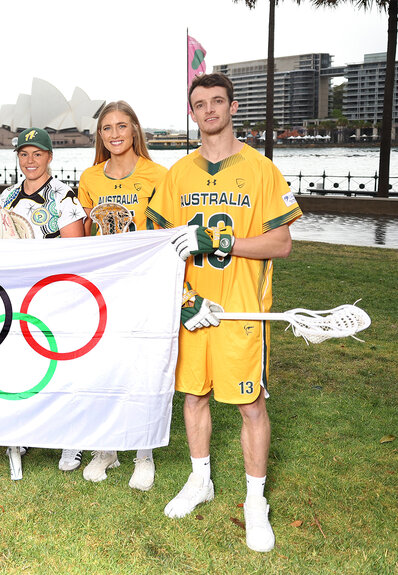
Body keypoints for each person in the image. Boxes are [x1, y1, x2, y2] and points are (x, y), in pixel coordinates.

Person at [145, 72, 302, 553]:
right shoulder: (178, 175)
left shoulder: (260, 169)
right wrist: (184, 301)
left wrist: (223, 241)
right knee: (193, 396)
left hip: (241, 311)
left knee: (250, 404)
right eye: (200, 103)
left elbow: (282, 243)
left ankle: (256, 500)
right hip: (195, 308)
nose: (209, 110)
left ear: (233, 107)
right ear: (191, 113)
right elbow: (157, 249)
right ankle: (201, 480)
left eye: (217, 101)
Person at [77, 101, 168, 490]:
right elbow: (82, 236)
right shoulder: (90, 178)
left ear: (134, 130)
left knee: (142, 369)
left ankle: (143, 453)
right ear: (100, 135)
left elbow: (168, 234)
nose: (114, 134)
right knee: (104, 366)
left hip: (144, 285)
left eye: (121, 127)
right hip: (104, 287)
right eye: (106, 128)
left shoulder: (158, 175)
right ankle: (107, 448)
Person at [0, 127, 87, 472]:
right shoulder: (6, 198)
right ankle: (27, 430)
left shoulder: (64, 197)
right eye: (23, 154)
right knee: (24, 365)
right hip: (18, 293)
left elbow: (75, 251)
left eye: (37, 153)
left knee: (61, 363)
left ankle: (71, 440)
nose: (30, 160)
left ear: (50, 157)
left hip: (55, 293)